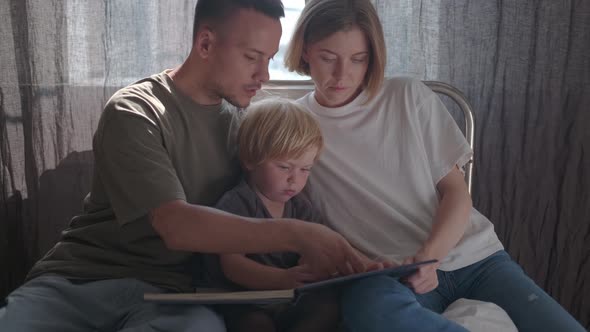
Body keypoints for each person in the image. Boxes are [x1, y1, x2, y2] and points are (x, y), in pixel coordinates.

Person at [0, 1, 369, 331]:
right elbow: (174, 224)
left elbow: (281, 188)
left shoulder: (247, 129)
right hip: (81, 280)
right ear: (205, 44)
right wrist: (298, 234)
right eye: (252, 57)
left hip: (174, 295)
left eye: (270, 58)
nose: (265, 75)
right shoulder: (136, 110)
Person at [283, 0, 587, 331]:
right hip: (392, 276)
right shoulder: (294, 124)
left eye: (359, 59)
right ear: (305, 51)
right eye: (328, 58)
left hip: (475, 258)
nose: (343, 74)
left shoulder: (407, 96)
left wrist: (431, 256)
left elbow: (457, 193)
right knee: (368, 309)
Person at [210, 98, 340, 332]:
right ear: (250, 159)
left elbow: (317, 249)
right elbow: (232, 265)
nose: (295, 179)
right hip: (244, 301)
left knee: (328, 309)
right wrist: (282, 279)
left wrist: (313, 265)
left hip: (288, 299)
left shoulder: (302, 208)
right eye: (284, 167)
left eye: (305, 169)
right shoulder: (237, 203)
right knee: (255, 325)